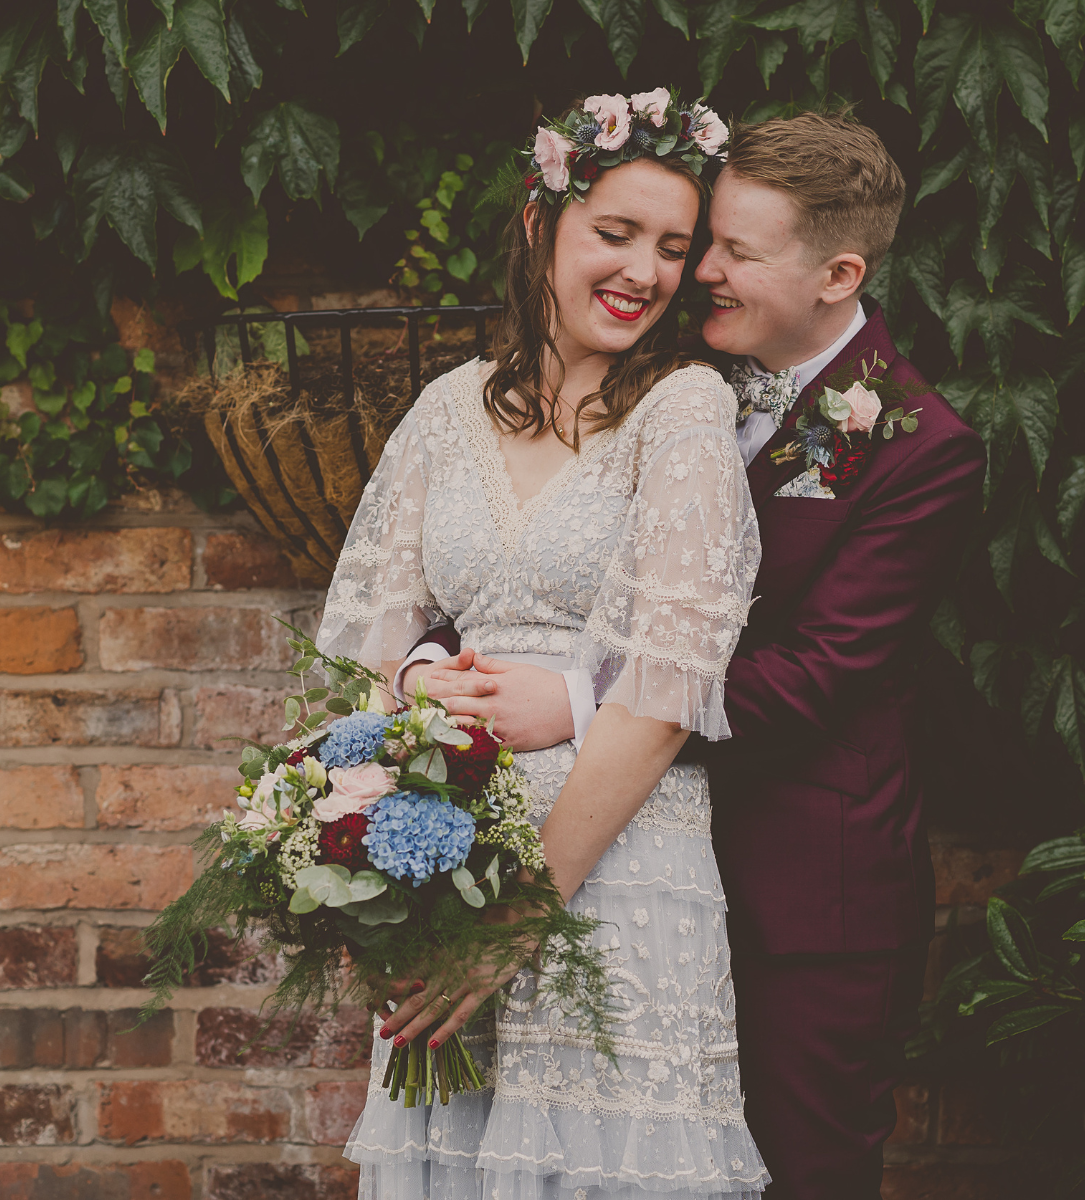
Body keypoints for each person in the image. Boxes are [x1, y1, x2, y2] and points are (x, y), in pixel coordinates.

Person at [398, 111, 987, 1199]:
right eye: (698, 242)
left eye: (732, 253)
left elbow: (814, 674)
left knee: (800, 1175)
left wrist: (579, 703)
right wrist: (434, 663)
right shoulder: (652, 377)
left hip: (799, 891)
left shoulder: (921, 450)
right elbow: (536, 560)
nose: (696, 272)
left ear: (837, 272)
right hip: (630, 867)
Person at [315, 90, 770, 1198]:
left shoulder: (686, 410)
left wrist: (518, 923)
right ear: (541, 225)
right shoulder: (447, 407)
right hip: (450, 854)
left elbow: (667, 691)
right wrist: (425, 681)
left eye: (672, 247)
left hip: (617, 869)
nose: (644, 272)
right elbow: (371, 642)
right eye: (614, 234)